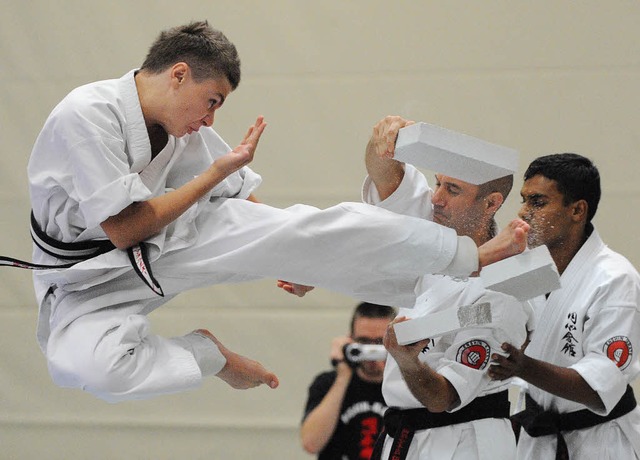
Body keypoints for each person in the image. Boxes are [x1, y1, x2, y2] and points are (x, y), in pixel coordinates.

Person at [18, 21, 529, 403]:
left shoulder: (180, 127)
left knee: (311, 229)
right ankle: (211, 354)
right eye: (211, 100)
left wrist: (292, 256)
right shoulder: (89, 114)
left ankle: (468, 258)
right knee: (86, 369)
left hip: (176, 239)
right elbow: (126, 227)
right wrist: (216, 173)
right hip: (82, 277)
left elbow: (242, 199)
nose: (210, 117)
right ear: (178, 75)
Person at [361, 116, 534, 460]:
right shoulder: (434, 237)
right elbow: (385, 174)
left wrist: (406, 361)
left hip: (463, 443)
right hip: (406, 436)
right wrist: (383, 137)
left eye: (452, 190)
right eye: (438, 183)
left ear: (491, 203)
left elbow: (443, 398)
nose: (436, 198)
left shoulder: (504, 289)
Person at [488, 153, 640, 459]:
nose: (523, 212)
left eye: (538, 202)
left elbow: (599, 388)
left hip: (600, 442)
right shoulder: (523, 269)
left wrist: (524, 367)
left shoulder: (615, 279)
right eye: (524, 200)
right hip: (535, 439)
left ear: (577, 210)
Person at [301, 302, 396, 460]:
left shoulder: (406, 387)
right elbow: (311, 443)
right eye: (363, 342)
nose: (371, 352)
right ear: (350, 340)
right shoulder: (328, 383)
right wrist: (343, 374)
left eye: (380, 343)